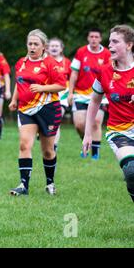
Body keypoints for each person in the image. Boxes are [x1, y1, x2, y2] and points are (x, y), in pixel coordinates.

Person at [8, 29, 66, 196]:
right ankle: (23, 185)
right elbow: (19, 84)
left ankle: (50, 183)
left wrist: (42, 88)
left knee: (47, 150)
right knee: (24, 144)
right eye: (30, 43)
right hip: (26, 110)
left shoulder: (50, 63)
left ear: (43, 46)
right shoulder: (21, 62)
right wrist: (13, 100)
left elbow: (61, 85)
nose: (32, 47)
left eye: (36, 44)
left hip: (48, 109)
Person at [83, 25, 134, 203]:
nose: (109, 45)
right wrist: (88, 133)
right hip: (119, 131)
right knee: (131, 171)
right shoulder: (104, 72)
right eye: (109, 41)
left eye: (115, 41)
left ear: (129, 45)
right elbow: (95, 101)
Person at [68, 28, 111, 160]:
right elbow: (74, 73)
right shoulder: (81, 52)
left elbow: (110, 74)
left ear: (100, 38)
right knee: (79, 124)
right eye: (91, 36)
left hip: (99, 94)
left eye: (96, 37)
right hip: (80, 93)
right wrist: (70, 92)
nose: (94, 39)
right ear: (88, 38)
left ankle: (95, 154)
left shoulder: (106, 54)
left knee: (96, 122)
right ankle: (86, 140)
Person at [47, 38, 72, 151]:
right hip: (45, 95)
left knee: (56, 119)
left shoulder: (67, 62)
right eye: (52, 46)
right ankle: (43, 132)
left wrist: (71, 93)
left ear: (61, 49)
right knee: (47, 120)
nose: (54, 48)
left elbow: (73, 79)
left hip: (62, 96)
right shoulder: (43, 61)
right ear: (47, 48)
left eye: (57, 46)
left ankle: (54, 146)